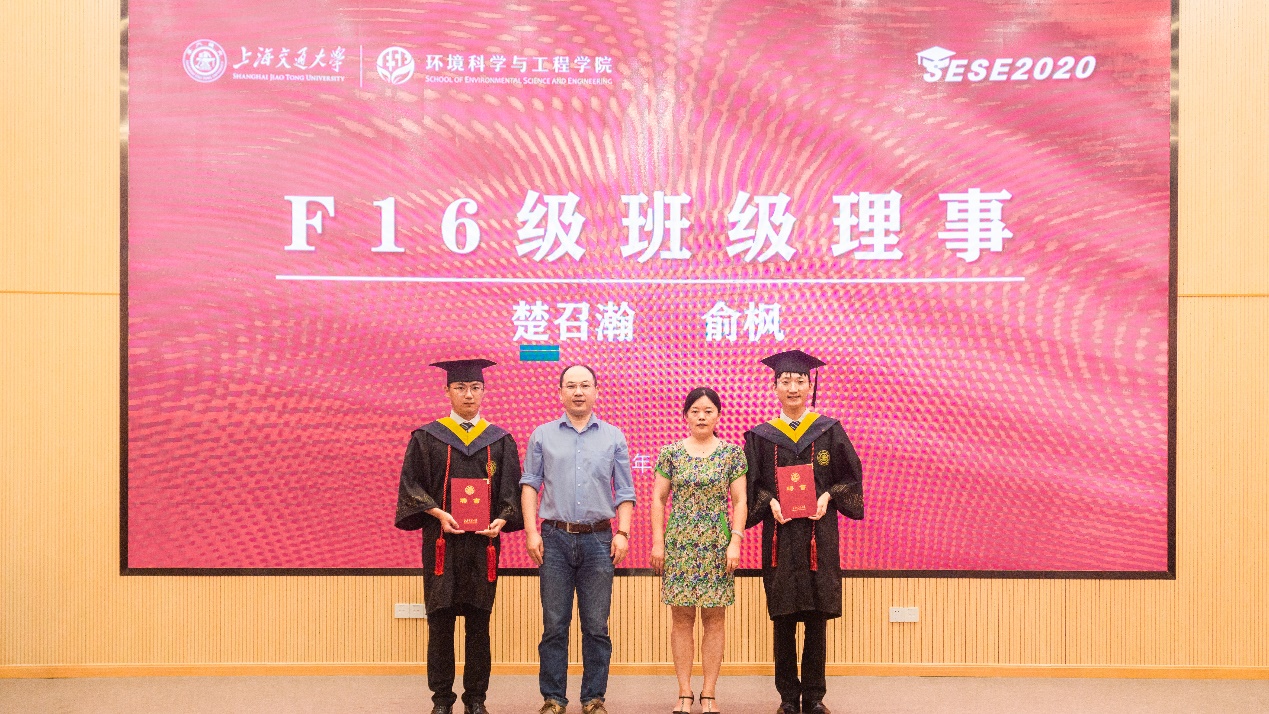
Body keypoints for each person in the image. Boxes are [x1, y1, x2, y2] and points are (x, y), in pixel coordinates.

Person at [394, 359, 524, 714]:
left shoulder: (500, 441)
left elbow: (511, 490)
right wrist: (437, 512)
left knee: (479, 623)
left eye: (475, 388)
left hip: (484, 544)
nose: (469, 395)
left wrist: (501, 519)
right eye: (461, 388)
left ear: (484, 391)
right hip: (442, 543)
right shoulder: (427, 438)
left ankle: (476, 700)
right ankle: (441, 700)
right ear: (447, 391)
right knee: (440, 621)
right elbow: (411, 486)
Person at [743, 350, 864, 714]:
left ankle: (813, 697)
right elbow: (751, 486)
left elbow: (850, 477)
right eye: (785, 381)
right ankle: (787, 698)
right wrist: (769, 502)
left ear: (810, 386)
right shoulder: (761, 437)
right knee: (783, 618)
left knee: (816, 617)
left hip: (817, 537)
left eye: (799, 381)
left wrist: (828, 495)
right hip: (779, 538)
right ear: (774, 387)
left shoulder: (828, 430)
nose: (793, 387)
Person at [521, 365, 635, 714]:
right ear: (560, 393)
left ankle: (593, 698)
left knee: (596, 626)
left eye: (585, 385)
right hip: (554, 538)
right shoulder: (542, 435)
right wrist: (531, 531)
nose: (578, 392)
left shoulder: (613, 436)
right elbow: (530, 485)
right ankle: (553, 698)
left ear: (597, 391)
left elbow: (625, 491)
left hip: (599, 540)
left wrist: (623, 532)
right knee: (554, 625)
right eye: (571, 386)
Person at [650, 387, 748, 714]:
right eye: (695, 411)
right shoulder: (671, 453)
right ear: (685, 416)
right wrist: (658, 542)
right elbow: (658, 500)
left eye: (708, 411)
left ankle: (708, 693)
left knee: (714, 619)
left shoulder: (732, 454)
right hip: (679, 544)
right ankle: (683, 692)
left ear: (718, 415)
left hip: (717, 544)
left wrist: (735, 541)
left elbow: (740, 502)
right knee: (681, 618)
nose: (702, 416)